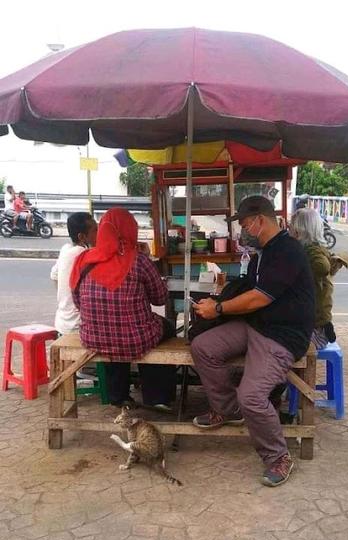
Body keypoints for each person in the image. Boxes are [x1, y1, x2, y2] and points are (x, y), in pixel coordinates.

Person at [191, 196, 315, 488]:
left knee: (252, 396)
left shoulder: (288, 251)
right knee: (203, 347)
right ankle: (228, 410)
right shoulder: (264, 252)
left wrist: (218, 309)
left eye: (246, 224)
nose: (244, 230)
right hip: (256, 325)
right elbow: (249, 289)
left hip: (282, 335)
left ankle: (278, 456)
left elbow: (260, 297)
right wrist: (218, 300)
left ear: (260, 220)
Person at [70, 207, 176, 409]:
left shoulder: (84, 260)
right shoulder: (139, 261)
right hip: (135, 338)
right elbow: (160, 299)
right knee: (166, 328)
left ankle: (118, 396)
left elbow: (78, 302)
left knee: (112, 333)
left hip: (93, 337)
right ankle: (157, 397)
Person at [290, 208, 348, 349]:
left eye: (291, 227)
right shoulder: (313, 249)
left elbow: (322, 267)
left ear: (299, 230)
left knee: (279, 346)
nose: (289, 231)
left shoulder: (312, 251)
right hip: (314, 324)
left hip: (315, 330)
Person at [50, 212, 98, 335]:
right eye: (95, 230)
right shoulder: (85, 255)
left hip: (61, 323)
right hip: (78, 327)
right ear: (82, 237)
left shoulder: (66, 249)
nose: (99, 234)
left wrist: (66, 299)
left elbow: (54, 275)